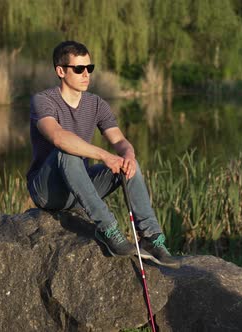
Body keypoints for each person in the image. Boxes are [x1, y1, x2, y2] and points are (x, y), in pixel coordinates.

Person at [26, 40, 179, 268]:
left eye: (89, 68)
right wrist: (105, 156)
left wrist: (127, 155)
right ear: (60, 71)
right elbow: (59, 137)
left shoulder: (96, 104)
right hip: (48, 191)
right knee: (66, 153)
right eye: (79, 69)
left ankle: (151, 238)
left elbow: (119, 140)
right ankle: (108, 229)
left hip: (79, 188)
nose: (86, 74)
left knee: (130, 165)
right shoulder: (44, 101)